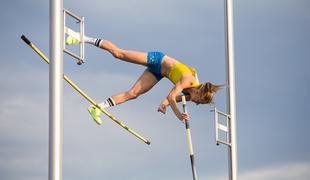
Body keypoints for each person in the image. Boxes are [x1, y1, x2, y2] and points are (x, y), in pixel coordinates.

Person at [66, 34, 224, 125]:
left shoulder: (191, 95)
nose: (195, 103)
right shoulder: (189, 80)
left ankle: (97, 108)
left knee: (133, 94)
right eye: (199, 101)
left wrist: (163, 106)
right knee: (118, 54)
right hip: (157, 60)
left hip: (160, 74)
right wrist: (178, 114)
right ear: (199, 92)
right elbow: (171, 96)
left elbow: (169, 99)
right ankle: (81, 37)